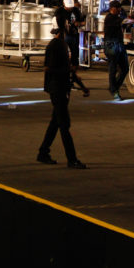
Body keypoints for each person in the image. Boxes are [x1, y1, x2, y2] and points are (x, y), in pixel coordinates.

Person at [37, 27, 87, 168]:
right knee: (64, 125)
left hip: (60, 88)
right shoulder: (55, 46)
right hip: (57, 89)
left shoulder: (61, 45)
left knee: (56, 123)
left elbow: (68, 69)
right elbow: (50, 68)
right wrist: (69, 71)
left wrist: (82, 85)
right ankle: (72, 159)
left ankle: (43, 152)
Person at [53, 0, 89, 97]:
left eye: (71, 7)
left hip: (73, 36)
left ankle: (72, 80)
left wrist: (79, 23)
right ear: (64, 4)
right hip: (64, 36)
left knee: (74, 58)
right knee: (63, 59)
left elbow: (83, 21)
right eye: (68, 7)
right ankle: (65, 80)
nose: (69, 8)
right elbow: (56, 24)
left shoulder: (76, 11)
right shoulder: (59, 12)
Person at [102, 0, 128, 101]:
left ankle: (114, 87)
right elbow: (124, 21)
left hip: (118, 43)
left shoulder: (117, 17)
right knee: (113, 67)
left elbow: (124, 22)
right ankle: (114, 89)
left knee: (125, 68)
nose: (119, 10)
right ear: (112, 9)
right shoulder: (110, 18)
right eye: (118, 8)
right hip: (110, 44)